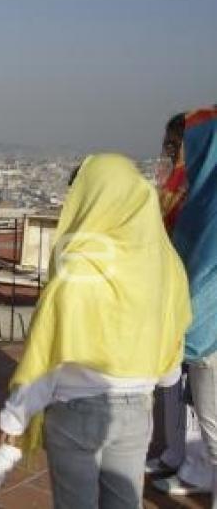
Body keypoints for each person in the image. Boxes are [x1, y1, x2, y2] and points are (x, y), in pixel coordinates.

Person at [0, 154, 192, 508]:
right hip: (137, 407)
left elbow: (49, 349)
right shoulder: (164, 263)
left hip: (76, 406)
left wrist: (15, 415)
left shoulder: (79, 264)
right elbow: (171, 340)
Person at [153, 106, 217, 506]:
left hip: (206, 328)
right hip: (197, 323)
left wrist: (188, 324)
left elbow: (205, 269)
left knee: (210, 422)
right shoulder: (203, 195)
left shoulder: (207, 202)